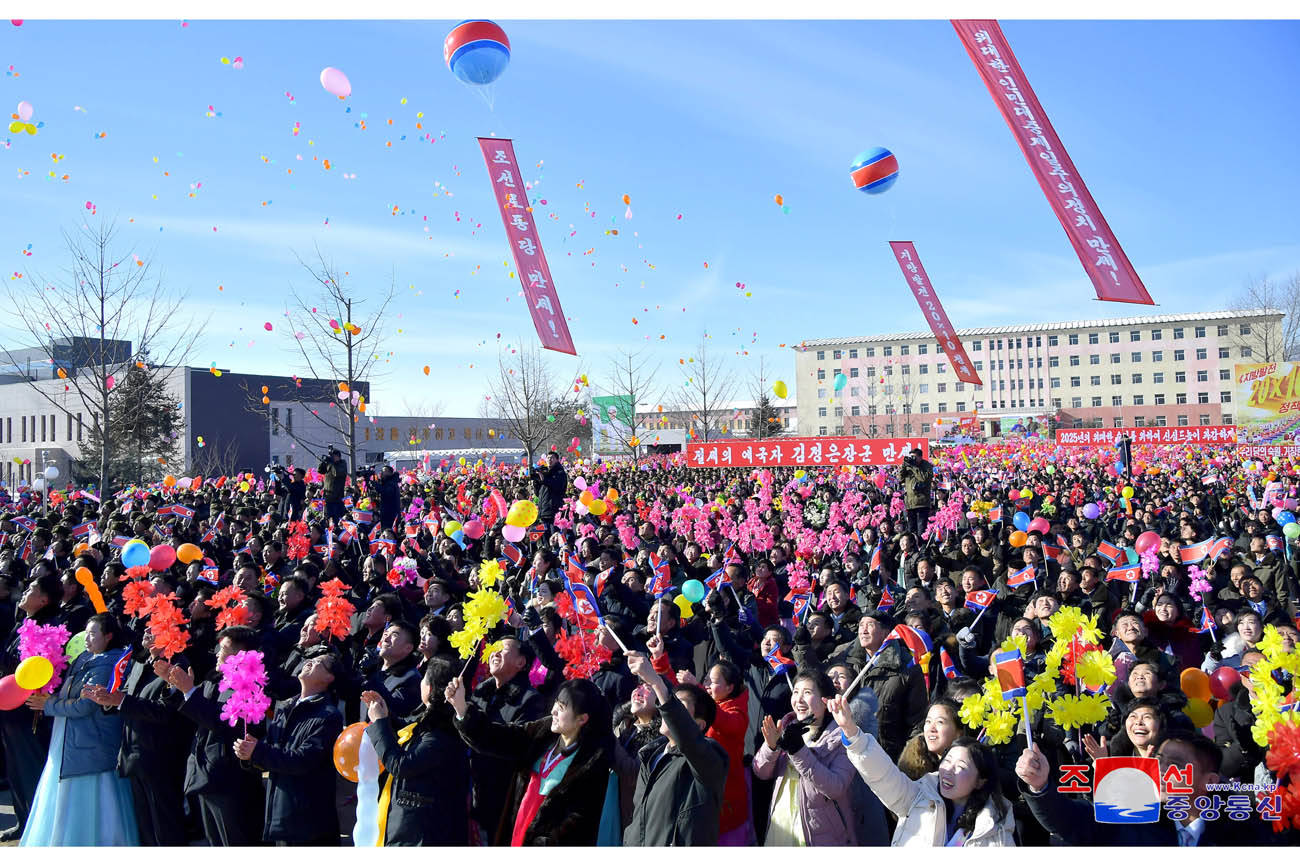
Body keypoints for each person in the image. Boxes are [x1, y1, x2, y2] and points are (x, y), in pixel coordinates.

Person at [447, 673, 615, 845]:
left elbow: (580, 820)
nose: (553, 710)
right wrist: (462, 708)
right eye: (556, 702)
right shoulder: (542, 732)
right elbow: (498, 738)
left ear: (582, 719)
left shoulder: (592, 760)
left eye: (562, 707)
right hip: (515, 831)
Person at [827, 694, 1016, 846]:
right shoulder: (918, 796)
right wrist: (851, 731)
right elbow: (883, 775)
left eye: (960, 767)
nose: (948, 770)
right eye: (947, 762)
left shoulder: (995, 828)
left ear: (980, 780)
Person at [20, 613, 139, 846]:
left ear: (109, 637)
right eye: (87, 632)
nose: (87, 638)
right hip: (70, 740)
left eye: (93, 633)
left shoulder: (107, 664)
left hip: (91, 743)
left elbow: (86, 705)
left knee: (93, 801)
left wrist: (49, 704)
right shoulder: (85, 658)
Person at [233, 650, 345, 845]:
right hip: (281, 810)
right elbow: (274, 751)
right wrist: (250, 755)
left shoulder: (329, 716)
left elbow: (303, 760)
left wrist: (258, 752)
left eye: (320, 662)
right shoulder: (285, 707)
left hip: (307, 819)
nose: (310, 662)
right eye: (311, 659)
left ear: (329, 678)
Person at [359, 657, 469, 846]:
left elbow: (401, 765)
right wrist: (385, 717)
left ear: (431, 689)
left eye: (424, 679)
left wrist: (379, 723)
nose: (421, 683)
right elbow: (410, 728)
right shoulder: (432, 722)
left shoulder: (442, 734)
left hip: (422, 834)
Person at [623, 650, 728, 846]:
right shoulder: (651, 755)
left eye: (679, 705)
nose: (666, 710)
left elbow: (691, 741)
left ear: (699, 725)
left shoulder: (711, 758)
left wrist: (656, 682)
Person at [753, 668, 856, 846]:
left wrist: (799, 750)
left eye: (807, 693)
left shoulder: (842, 737)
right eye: (796, 692)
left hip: (818, 832)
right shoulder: (785, 727)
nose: (798, 699)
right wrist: (771, 747)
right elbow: (760, 772)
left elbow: (836, 787)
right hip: (781, 822)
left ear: (825, 701)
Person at [530, 451, 569, 532]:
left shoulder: (560, 473)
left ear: (557, 460)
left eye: (552, 458)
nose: (549, 460)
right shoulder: (546, 472)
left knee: (553, 536)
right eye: (548, 458)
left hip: (553, 511)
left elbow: (556, 487)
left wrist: (544, 479)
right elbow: (538, 493)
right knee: (544, 538)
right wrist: (536, 482)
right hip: (543, 510)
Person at [900, 448, 934, 538]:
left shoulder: (926, 466)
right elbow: (900, 478)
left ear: (920, 457)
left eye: (914, 457)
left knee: (921, 529)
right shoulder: (909, 465)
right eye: (911, 457)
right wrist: (904, 466)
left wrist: (914, 467)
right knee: (911, 529)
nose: (912, 459)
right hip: (910, 503)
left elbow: (923, 478)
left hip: (922, 503)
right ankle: (912, 548)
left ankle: (921, 548)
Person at [319, 447, 348, 523]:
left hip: (337, 497)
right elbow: (320, 470)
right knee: (327, 518)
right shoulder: (330, 464)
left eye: (333, 456)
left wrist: (332, 463)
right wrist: (324, 462)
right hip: (327, 497)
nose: (332, 457)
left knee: (336, 519)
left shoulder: (342, 464)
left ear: (338, 456)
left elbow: (336, 473)